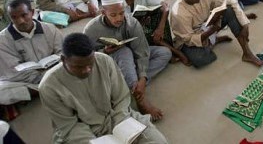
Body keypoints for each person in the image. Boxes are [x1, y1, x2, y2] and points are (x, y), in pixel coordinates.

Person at [39, 33, 168, 143]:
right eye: (79, 67)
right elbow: (68, 126)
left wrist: (120, 127)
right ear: (63, 59)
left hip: (117, 117)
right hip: (82, 132)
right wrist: (93, 142)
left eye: (90, 64)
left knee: (157, 141)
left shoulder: (104, 61)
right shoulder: (49, 86)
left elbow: (121, 98)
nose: (87, 70)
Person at [84, 0, 172, 121]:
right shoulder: (91, 29)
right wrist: (104, 51)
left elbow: (142, 50)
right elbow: (86, 57)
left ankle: (134, 86)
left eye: (121, 13)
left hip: (131, 59)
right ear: (103, 13)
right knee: (124, 51)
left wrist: (142, 77)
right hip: (110, 63)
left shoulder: (132, 23)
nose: (119, 18)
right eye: (113, 15)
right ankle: (140, 99)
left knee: (165, 53)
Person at [170, 0, 263, 68]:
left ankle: (247, 53)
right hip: (189, 38)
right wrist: (211, 30)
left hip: (207, 26)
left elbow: (231, 2)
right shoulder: (178, 12)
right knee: (201, 59)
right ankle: (214, 40)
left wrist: (245, 24)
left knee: (230, 10)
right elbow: (189, 40)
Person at [0, 0, 63, 105]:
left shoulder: (50, 29)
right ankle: (48, 87)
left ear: (32, 12)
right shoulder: (3, 39)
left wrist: (51, 72)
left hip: (52, 72)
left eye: (24, 15)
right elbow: (12, 72)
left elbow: (64, 53)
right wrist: (39, 77)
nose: (20, 21)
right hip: (25, 81)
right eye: (14, 17)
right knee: (2, 92)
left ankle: (43, 89)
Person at [120, 0, 189, 65]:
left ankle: (164, 45)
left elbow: (165, 6)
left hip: (145, 25)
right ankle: (171, 50)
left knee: (160, 12)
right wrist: (138, 24)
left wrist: (160, 28)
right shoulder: (118, 3)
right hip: (131, 33)